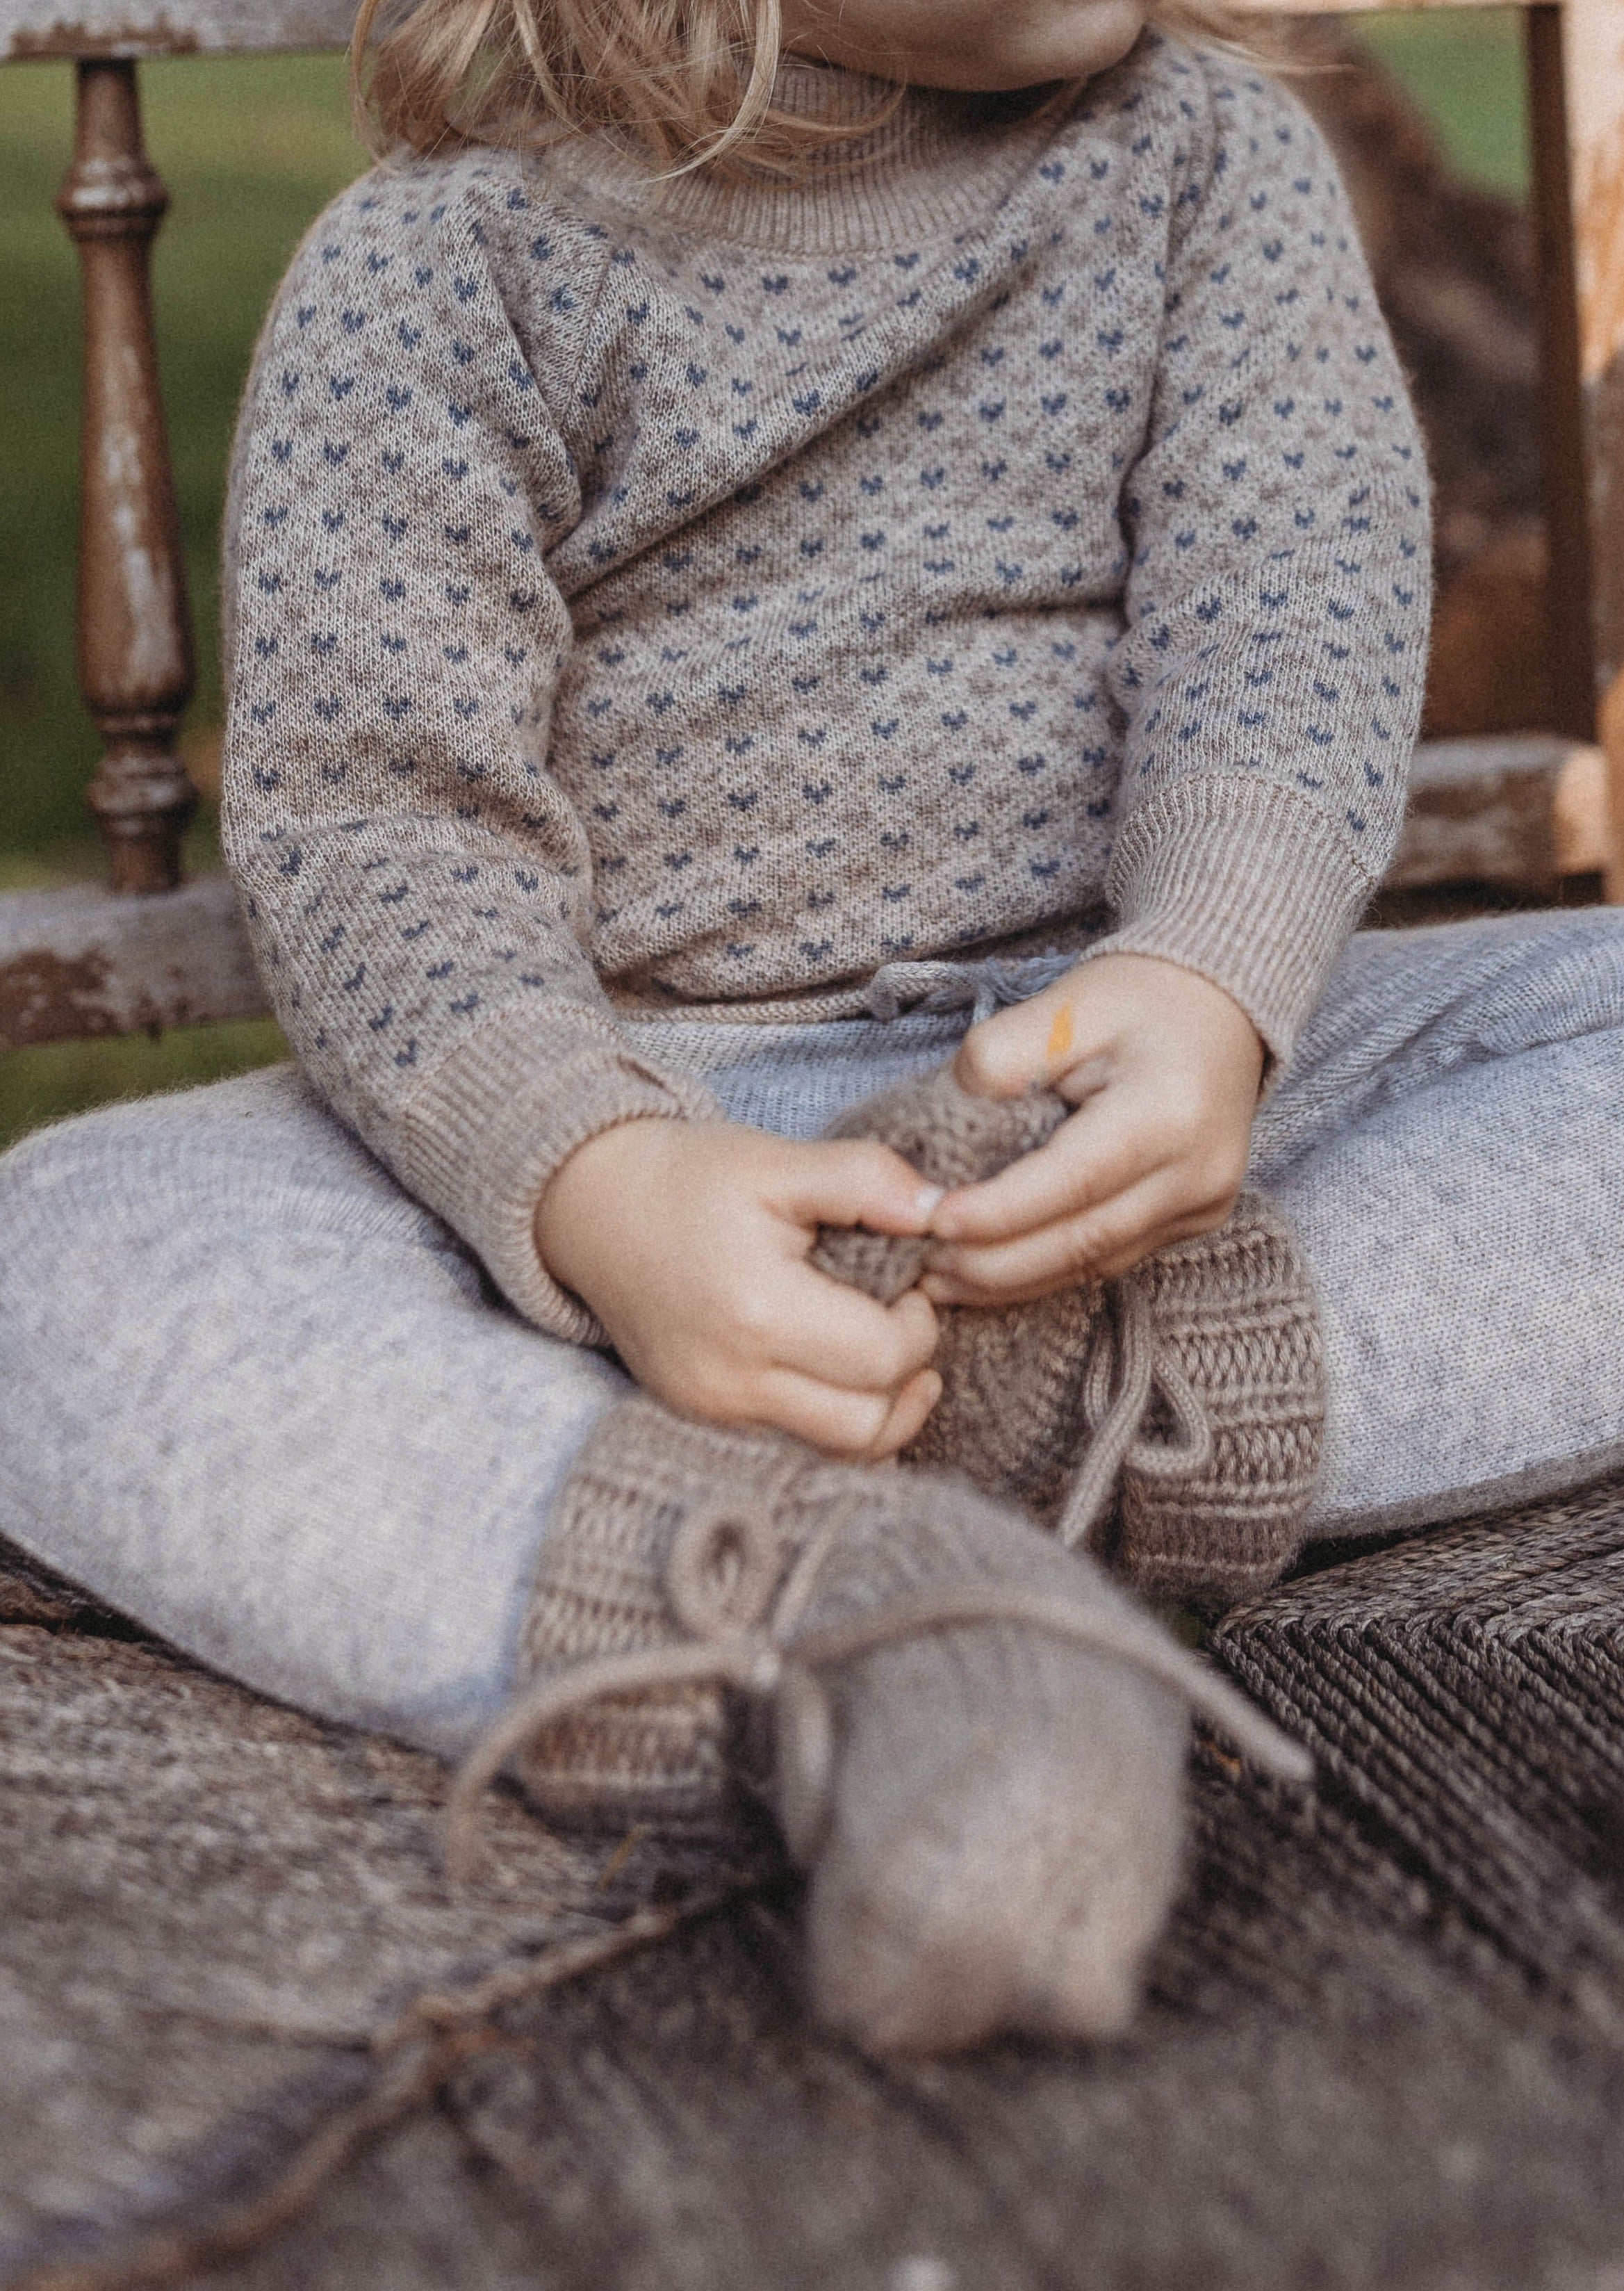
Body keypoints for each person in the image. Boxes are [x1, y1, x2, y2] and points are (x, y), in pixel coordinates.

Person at [4, 0, 1623, 2054]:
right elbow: (382, 820)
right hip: (654, 1122)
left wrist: (1208, 971)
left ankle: (1082, 1392)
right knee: (52, 1262)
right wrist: (595, 1182)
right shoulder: (450, 265)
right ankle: (862, 1621)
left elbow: (1285, 612)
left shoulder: (1204, 158)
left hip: (1111, 1102)